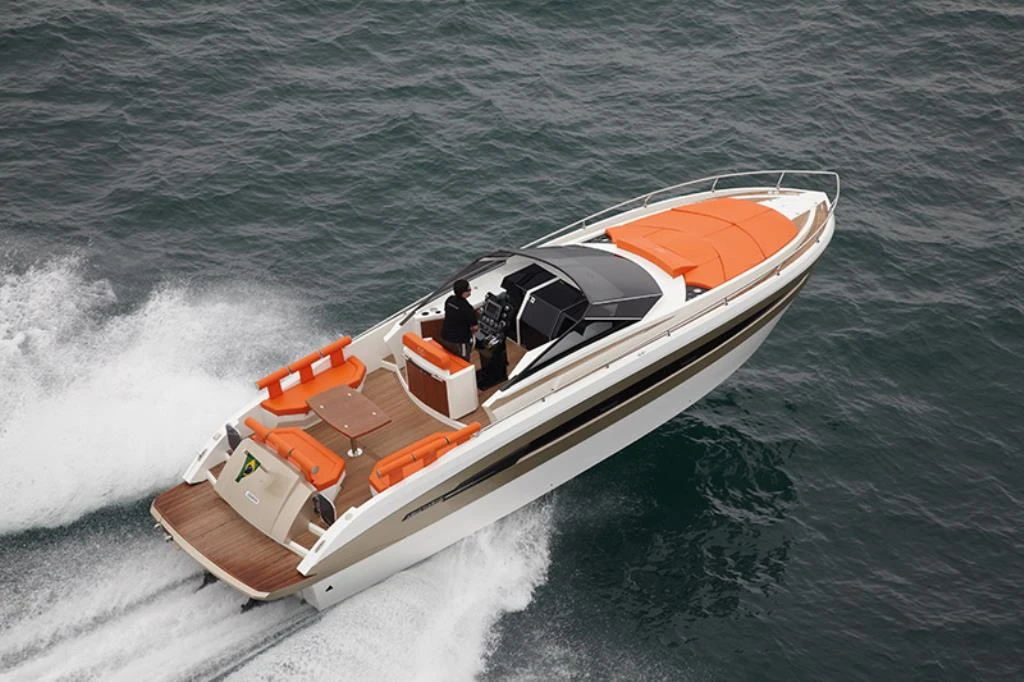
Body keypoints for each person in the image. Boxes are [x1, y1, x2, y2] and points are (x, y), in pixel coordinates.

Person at [439, 279, 478, 361]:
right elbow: (475, 327)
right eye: (469, 289)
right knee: (463, 361)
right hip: (459, 342)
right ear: (464, 293)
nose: (470, 291)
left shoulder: (449, 300)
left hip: (445, 337)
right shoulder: (468, 309)